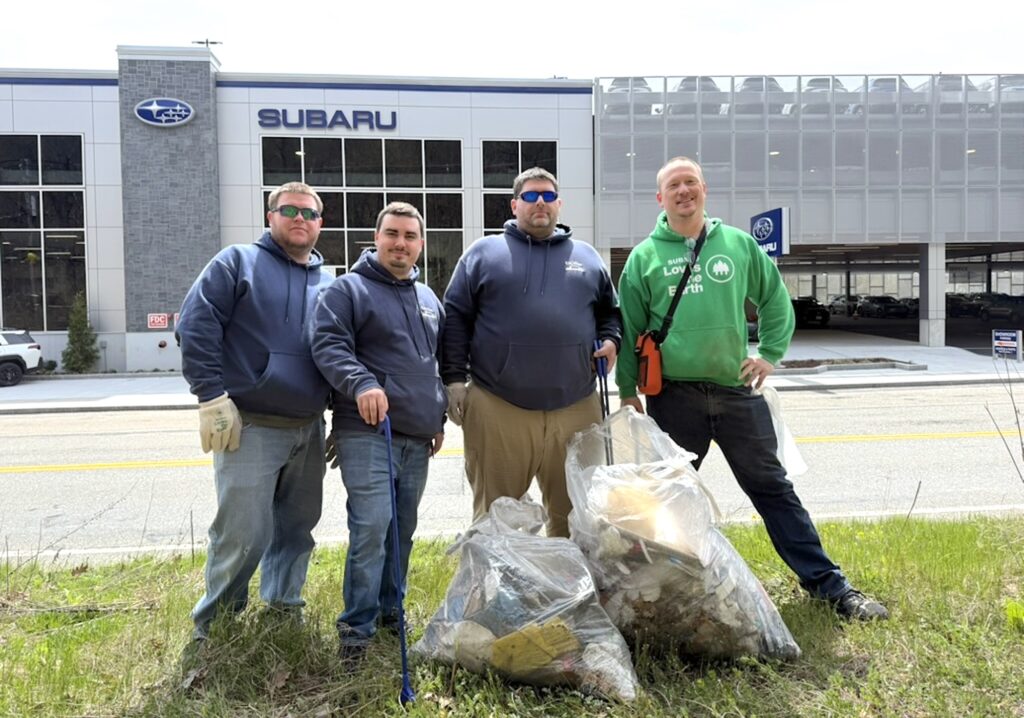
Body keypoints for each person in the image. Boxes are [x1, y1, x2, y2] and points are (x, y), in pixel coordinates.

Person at [615, 157, 888, 621]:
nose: (684, 191)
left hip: (737, 392)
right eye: (673, 186)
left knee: (774, 491)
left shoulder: (737, 245)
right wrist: (627, 392)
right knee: (668, 498)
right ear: (660, 199)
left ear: (703, 190)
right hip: (674, 397)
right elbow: (629, 327)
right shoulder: (644, 257)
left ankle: (830, 587)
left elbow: (775, 299)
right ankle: (651, 595)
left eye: (691, 183)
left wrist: (771, 353)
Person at [177, 181, 334, 640]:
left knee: (297, 529)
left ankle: (284, 610)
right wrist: (209, 395)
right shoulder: (236, 263)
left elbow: (340, 351)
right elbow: (196, 324)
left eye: (309, 212)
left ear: (320, 223)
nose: (299, 218)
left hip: (308, 428)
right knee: (242, 534)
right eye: (289, 210)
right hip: (250, 427)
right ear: (271, 217)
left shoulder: (330, 283)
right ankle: (216, 627)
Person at [442, 167, 622, 538]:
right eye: (529, 196)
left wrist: (611, 340)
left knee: (576, 517)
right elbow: (455, 318)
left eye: (547, 195)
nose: (539, 202)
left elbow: (610, 313)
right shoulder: (482, 253)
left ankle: (571, 593)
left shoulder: (587, 258)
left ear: (559, 205)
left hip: (576, 404)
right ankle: (502, 595)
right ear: (514, 204)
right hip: (498, 404)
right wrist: (454, 380)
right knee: (498, 520)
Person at [312, 201, 447, 661]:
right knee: (371, 527)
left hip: (417, 438)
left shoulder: (429, 299)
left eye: (410, 237)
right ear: (377, 238)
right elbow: (328, 345)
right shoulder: (347, 290)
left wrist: (438, 416)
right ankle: (356, 630)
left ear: (420, 245)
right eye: (392, 234)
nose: (400, 243)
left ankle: (392, 613)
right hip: (367, 431)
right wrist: (361, 383)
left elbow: (433, 366)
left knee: (402, 531)